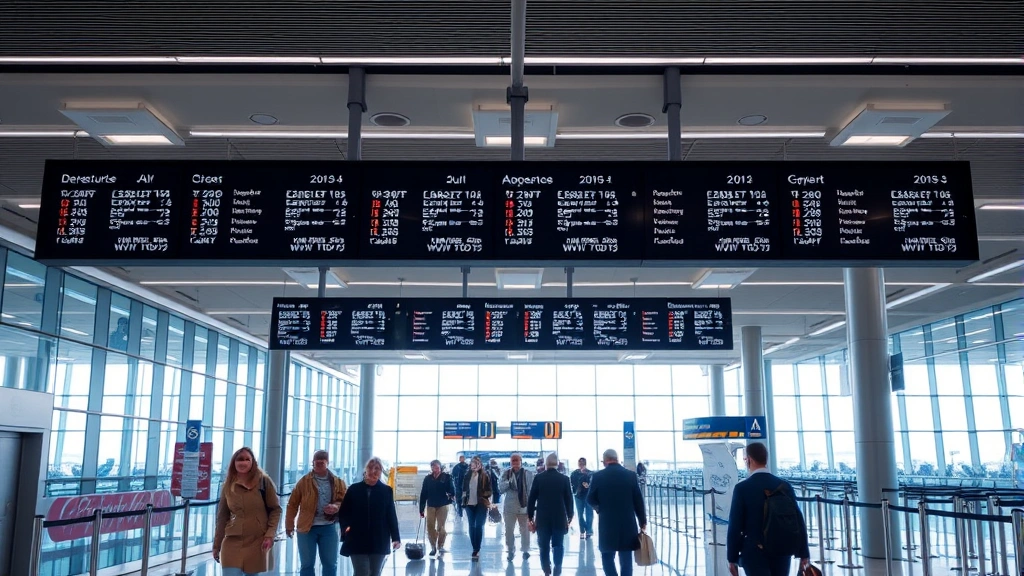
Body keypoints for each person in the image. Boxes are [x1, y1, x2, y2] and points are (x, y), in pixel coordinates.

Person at [727, 443, 810, 576]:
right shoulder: (784, 486)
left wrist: (732, 558)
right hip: (782, 550)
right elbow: (799, 521)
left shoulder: (743, 488)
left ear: (749, 460)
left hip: (754, 552)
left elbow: (735, 526)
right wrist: (804, 553)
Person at [213, 447, 282, 576]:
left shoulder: (264, 482)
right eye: (239, 459)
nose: (243, 463)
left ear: (252, 462)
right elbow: (222, 517)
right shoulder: (227, 485)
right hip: (232, 541)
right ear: (234, 462)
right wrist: (216, 545)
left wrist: (269, 535)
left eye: (247, 459)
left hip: (257, 541)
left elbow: (275, 510)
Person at [285, 450, 348, 576]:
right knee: (307, 564)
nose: (318, 465)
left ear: (327, 463)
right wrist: (289, 525)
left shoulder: (338, 482)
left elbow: (345, 501)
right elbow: (292, 504)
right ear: (312, 463)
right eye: (316, 463)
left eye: (322, 463)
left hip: (329, 527)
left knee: (330, 564)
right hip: (306, 529)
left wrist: (336, 506)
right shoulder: (303, 482)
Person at [586, 448, 646, 576]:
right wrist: (642, 521)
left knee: (607, 557)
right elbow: (638, 501)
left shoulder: (598, 476)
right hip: (627, 523)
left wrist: (599, 508)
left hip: (607, 524)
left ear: (605, 461)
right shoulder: (631, 476)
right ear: (617, 459)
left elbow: (590, 498)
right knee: (626, 559)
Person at [338, 457, 401, 576]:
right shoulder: (354, 489)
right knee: (361, 572)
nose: (373, 471)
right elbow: (344, 512)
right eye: (370, 468)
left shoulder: (386, 491)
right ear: (365, 470)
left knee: (374, 573)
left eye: (377, 468)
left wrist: (396, 537)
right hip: (356, 538)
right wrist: (345, 528)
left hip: (379, 538)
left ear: (381, 471)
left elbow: (391, 515)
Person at [528, 452, 574, 576]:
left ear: (546, 464)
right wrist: (570, 517)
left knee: (543, 545)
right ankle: (557, 568)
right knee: (558, 544)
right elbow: (569, 500)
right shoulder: (564, 479)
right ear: (557, 464)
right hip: (559, 517)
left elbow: (532, 498)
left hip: (542, 518)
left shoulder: (538, 478)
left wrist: (530, 517)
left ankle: (546, 569)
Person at [499, 452, 535, 562]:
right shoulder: (506, 474)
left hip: (524, 506)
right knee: (509, 530)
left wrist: (531, 508)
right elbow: (500, 489)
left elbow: (531, 491)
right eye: (513, 460)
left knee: (524, 530)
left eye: (516, 460)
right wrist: (509, 483)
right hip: (509, 507)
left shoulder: (528, 474)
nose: (515, 462)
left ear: (521, 461)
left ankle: (525, 550)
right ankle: (510, 550)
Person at [419, 459, 455, 556]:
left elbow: (451, 489)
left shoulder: (446, 477)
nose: (436, 469)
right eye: (434, 467)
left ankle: (440, 546)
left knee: (441, 527)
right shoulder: (427, 479)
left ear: (440, 467)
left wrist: (452, 494)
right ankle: (433, 547)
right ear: (431, 468)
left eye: (437, 467)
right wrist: (421, 509)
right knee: (430, 527)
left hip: (443, 504)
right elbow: (423, 494)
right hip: (430, 505)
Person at [460, 455, 492, 560]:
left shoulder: (484, 475)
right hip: (469, 504)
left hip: (481, 504)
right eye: (472, 463)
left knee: (478, 525)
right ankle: (474, 547)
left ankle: (477, 548)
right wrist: (462, 500)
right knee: (471, 525)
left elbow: (490, 490)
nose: (473, 465)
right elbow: (463, 489)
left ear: (480, 464)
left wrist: (483, 495)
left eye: (476, 463)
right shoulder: (467, 475)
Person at [569, 457, 594, 539]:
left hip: (588, 496)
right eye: (580, 463)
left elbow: (592, 484)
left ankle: (589, 531)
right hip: (578, 496)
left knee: (589, 513)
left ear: (585, 464)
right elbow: (572, 484)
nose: (581, 465)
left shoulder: (590, 473)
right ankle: (583, 530)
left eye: (583, 463)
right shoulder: (574, 473)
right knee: (580, 515)